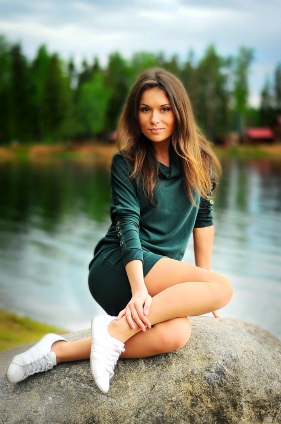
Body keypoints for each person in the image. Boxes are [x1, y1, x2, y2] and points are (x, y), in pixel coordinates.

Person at [6, 68, 233, 393]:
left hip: (161, 280)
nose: (154, 119)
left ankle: (57, 352)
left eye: (164, 109)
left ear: (179, 112)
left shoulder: (202, 163)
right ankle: (115, 332)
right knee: (223, 288)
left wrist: (202, 286)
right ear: (135, 114)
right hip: (119, 266)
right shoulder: (127, 163)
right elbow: (126, 225)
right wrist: (139, 290)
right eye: (145, 109)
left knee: (176, 335)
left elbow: (204, 218)